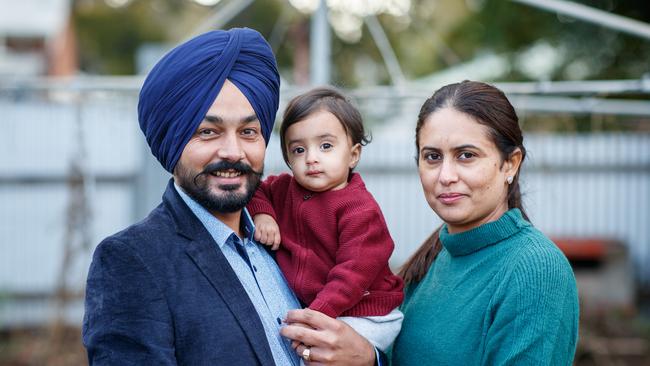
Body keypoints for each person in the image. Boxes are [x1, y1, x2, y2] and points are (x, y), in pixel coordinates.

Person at [82, 28, 378, 365]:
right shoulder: (132, 261)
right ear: (173, 141)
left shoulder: (288, 230)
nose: (233, 151)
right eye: (208, 132)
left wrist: (370, 358)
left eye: (249, 132)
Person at [390, 80, 579, 365]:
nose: (445, 175)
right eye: (432, 157)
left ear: (510, 164)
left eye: (466, 155)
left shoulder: (535, 269)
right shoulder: (431, 258)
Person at [247, 87, 404, 352]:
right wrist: (263, 214)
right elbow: (253, 189)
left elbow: (351, 276)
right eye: (298, 150)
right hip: (321, 308)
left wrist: (315, 317)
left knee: (316, 354)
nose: (311, 158)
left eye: (326, 146)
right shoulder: (284, 189)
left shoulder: (360, 211)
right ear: (287, 158)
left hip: (365, 313)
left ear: (353, 154)